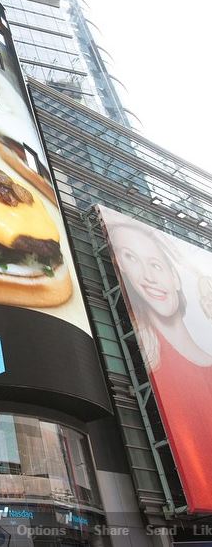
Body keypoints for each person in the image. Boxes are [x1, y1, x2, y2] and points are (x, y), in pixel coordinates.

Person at [106, 218, 212, 513]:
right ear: (122, 270)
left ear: (175, 277)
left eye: (155, 264)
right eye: (131, 259)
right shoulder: (146, 365)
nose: (148, 276)